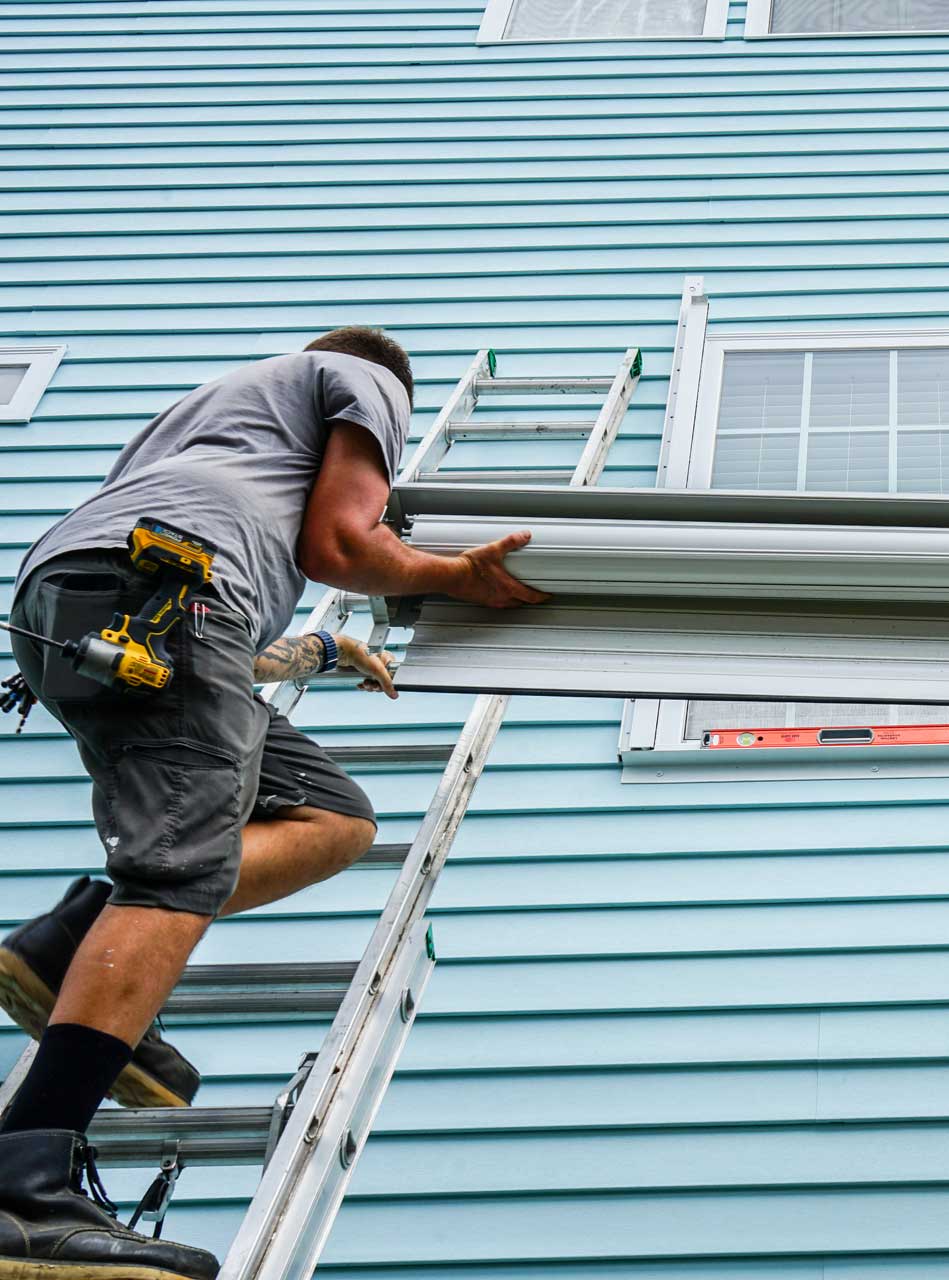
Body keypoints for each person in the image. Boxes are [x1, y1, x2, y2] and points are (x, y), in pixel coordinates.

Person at [0, 327, 548, 1279]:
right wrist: (451, 576)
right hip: (173, 598)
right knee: (178, 874)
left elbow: (205, 648)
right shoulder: (367, 376)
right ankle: (21, 1183)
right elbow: (338, 544)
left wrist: (325, 652)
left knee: (333, 819)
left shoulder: (209, 422)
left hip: (74, 611)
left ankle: (77, 933)